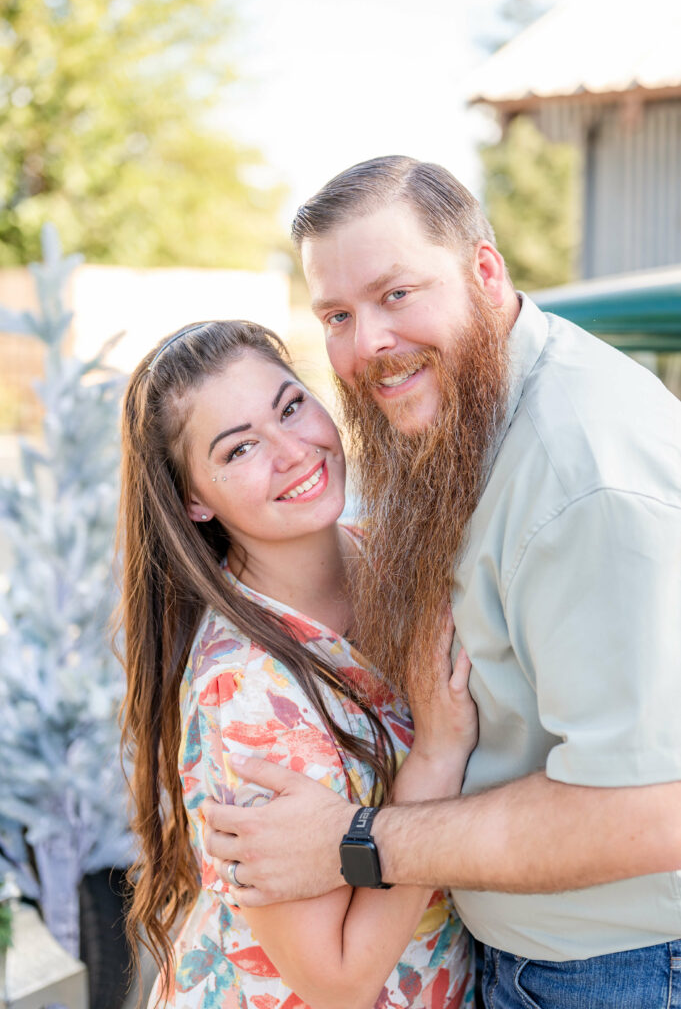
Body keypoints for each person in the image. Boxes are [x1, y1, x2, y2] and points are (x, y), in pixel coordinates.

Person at [203, 157, 681, 1009]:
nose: (369, 345)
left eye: (396, 294)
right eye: (338, 315)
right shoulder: (468, 405)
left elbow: (653, 812)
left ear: (485, 272)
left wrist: (354, 842)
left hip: (616, 975)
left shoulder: (583, 481)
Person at [117, 318, 479, 1009]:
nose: (291, 451)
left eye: (290, 407)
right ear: (195, 499)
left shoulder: (398, 559)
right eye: (241, 447)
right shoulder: (246, 692)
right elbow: (334, 979)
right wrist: (434, 753)